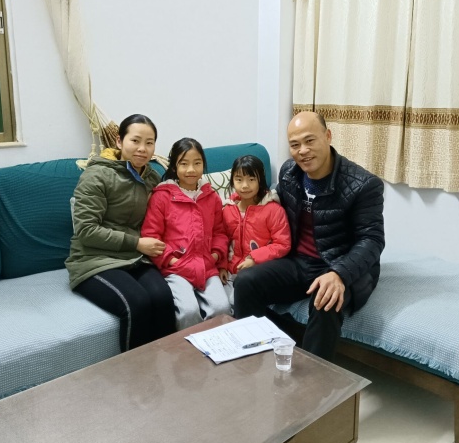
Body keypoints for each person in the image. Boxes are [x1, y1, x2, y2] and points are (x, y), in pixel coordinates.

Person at [234, 111, 385, 361]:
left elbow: (372, 240)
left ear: (328, 136)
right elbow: (273, 204)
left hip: (341, 263)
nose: (303, 150)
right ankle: (255, 359)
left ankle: (313, 379)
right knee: (245, 282)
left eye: (310, 140)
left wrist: (339, 274)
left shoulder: (364, 184)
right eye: (295, 145)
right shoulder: (289, 173)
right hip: (299, 261)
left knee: (325, 301)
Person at [65, 114, 176, 352]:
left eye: (149, 143)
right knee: (137, 303)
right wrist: (137, 243)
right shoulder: (97, 175)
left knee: (164, 298)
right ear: (119, 141)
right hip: (94, 260)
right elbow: (86, 230)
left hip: (135, 258)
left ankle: (165, 366)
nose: (142, 148)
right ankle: (134, 372)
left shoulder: (152, 178)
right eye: (135, 141)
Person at [141, 137, 231, 329]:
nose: (191, 169)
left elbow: (220, 232)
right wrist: (171, 260)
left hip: (206, 266)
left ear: (203, 165)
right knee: (188, 311)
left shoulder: (211, 197)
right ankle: (187, 348)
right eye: (184, 163)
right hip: (176, 269)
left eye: (197, 163)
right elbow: (151, 235)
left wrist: (217, 256)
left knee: (222, 308)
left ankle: (216, 346)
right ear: (174, 166)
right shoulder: (162, 197)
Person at [219, 155, 291, 308]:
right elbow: (221, 240)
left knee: (236, 303)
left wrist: (254, 258)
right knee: (220, 306)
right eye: (239, 179)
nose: (245, 185)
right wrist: (222, 266)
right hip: (230, 272)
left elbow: (283, 244)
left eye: (251, 179)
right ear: (232, 181)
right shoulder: (227, 209)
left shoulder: (273, 210)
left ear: (260, 180)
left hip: (258, 271)